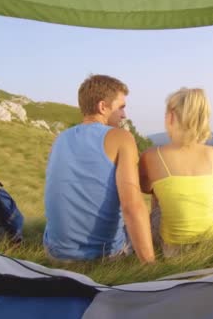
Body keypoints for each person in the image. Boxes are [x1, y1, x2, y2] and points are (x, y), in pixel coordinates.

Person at [43, 74, 155, 263]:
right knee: (151, 220)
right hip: (104, 256)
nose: (124, 115)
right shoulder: (121, 138)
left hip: (55, 253)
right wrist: (151, 266)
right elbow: (132, 208)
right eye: (121, 107)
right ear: (103, 107)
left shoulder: (60, 139)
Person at [139, 88, 213, 258]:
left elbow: (145, 188)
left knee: (158, 198)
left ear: (171, 117)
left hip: (177, 251)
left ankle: (156, 251)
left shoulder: (151, 156)